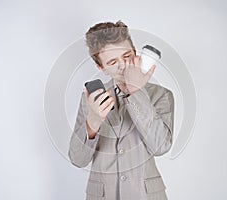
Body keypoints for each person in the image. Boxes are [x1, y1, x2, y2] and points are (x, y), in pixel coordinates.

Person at [68, 20, 174, 200]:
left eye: (127, 56)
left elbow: (161, 146)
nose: (123, 65)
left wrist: (135, 91)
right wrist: (93, 122)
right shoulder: (91, 100)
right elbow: (78, 159)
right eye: (112, 61)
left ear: (136, 53)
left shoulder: (161, 95)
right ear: (101, 67)